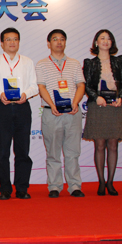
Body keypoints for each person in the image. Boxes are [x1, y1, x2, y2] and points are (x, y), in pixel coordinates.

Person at [0, 28, 38, 200]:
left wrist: (26, 94)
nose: (12, 42)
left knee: (22, 150)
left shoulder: (27, 62)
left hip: (22, 108)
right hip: (2, 108)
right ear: (2, 43)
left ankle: (22, 188)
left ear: (19, 42)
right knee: (3, 152)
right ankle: (5, 189)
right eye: (8, 39)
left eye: (15, 39)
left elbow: (34, 85)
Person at [36, 29, 86, 198]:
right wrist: (52, 105)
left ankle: (74, 185)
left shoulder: (74, 63)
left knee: (73, 152)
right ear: (48, 43)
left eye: (62, 39)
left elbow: (81, 85)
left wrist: (75, 102)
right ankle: (55, 186)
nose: (59, 42)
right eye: (55, 39)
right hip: (52, 113)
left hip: (72, 112)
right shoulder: (42, 64)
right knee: (53, 152)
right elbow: (41, 87)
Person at [82, 30, 122, 196]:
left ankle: (110, 182)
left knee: (113, 145)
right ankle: (101, 182)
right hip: (98, 106)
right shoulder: (90, 63)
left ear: (112, 42)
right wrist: (96, 97)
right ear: (96, 42)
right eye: (102, 38)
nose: (105, 41)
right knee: (100, 145)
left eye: (109, 39)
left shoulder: (119, 61)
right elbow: (87, 85)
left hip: (115, 106)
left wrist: (121, 97)